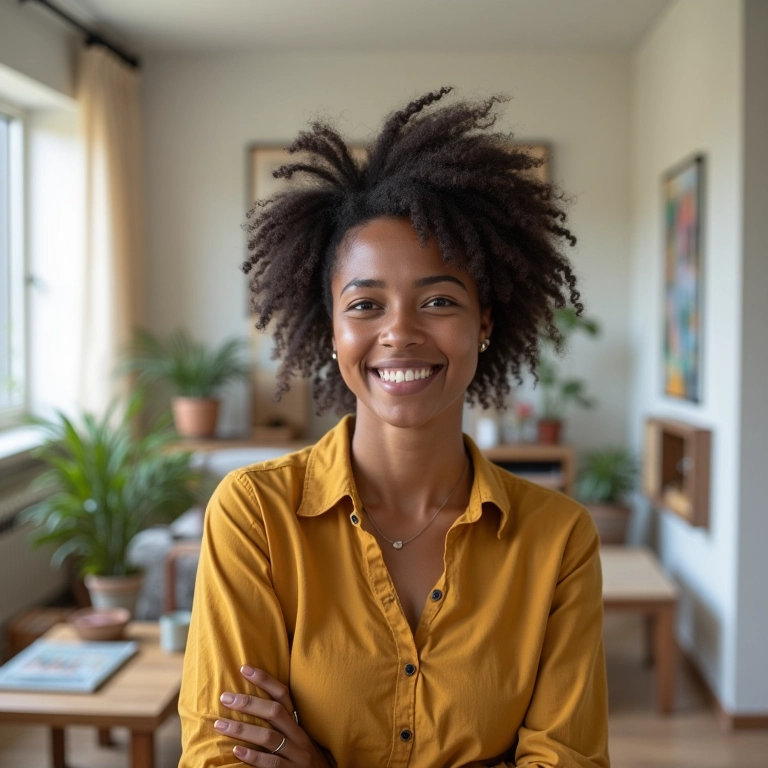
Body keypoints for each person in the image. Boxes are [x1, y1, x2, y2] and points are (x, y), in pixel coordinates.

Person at [178, 87, 610, 768]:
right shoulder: (254, 516)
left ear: (484, 323)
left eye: (438, 300)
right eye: (366, 304)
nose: (400, 333)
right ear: (332, 331)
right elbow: (221, 756)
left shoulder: (557, 541)